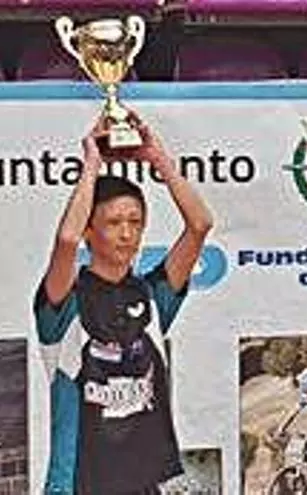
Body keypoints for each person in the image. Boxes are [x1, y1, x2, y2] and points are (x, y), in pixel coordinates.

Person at [33, 114, 214, 494]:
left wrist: (158, 159)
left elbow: (199, 225)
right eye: (114, 222)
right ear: (90, 229)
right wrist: (92, 163)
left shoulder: (151, 296)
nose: (127, 233)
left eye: (135, 221)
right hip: (79, 486)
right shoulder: (64, 304)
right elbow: (66, 241)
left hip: (144, 485)